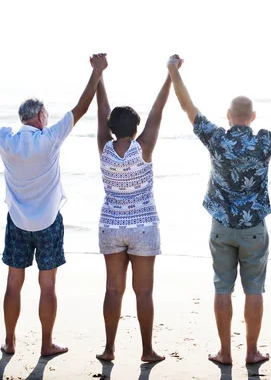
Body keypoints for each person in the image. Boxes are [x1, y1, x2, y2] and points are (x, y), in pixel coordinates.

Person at [166, 54, 271, 364]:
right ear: (253, 117)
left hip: (221, 229)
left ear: (228, 115)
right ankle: (251, 351)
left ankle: (226, 352)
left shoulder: (217, 139)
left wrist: (173, 71)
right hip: (254, 229)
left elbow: (187, 107)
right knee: (254, 289)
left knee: (222, 288)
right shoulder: (263, 142)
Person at [0, 54, 108, 356]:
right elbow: (81, 109)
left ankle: (10, 341)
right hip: (48, 224)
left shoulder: (7, 140)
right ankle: (46, 344)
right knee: (48, 285)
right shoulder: (51, 138)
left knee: (14, 284)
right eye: (47, 114)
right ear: (42, 116)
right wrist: (96, 72)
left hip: (17, 223)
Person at [93, 58, 179, 363]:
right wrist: (171, 76)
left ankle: (109, 349)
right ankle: (146, 350)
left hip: (111, 226)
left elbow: (102, 112)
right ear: (136, 128)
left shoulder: (104, 146)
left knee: (113, 290)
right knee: (143, 292)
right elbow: (158, 111)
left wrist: (99, 75)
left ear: (111, 129)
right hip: (143, 226)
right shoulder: (143, 148)